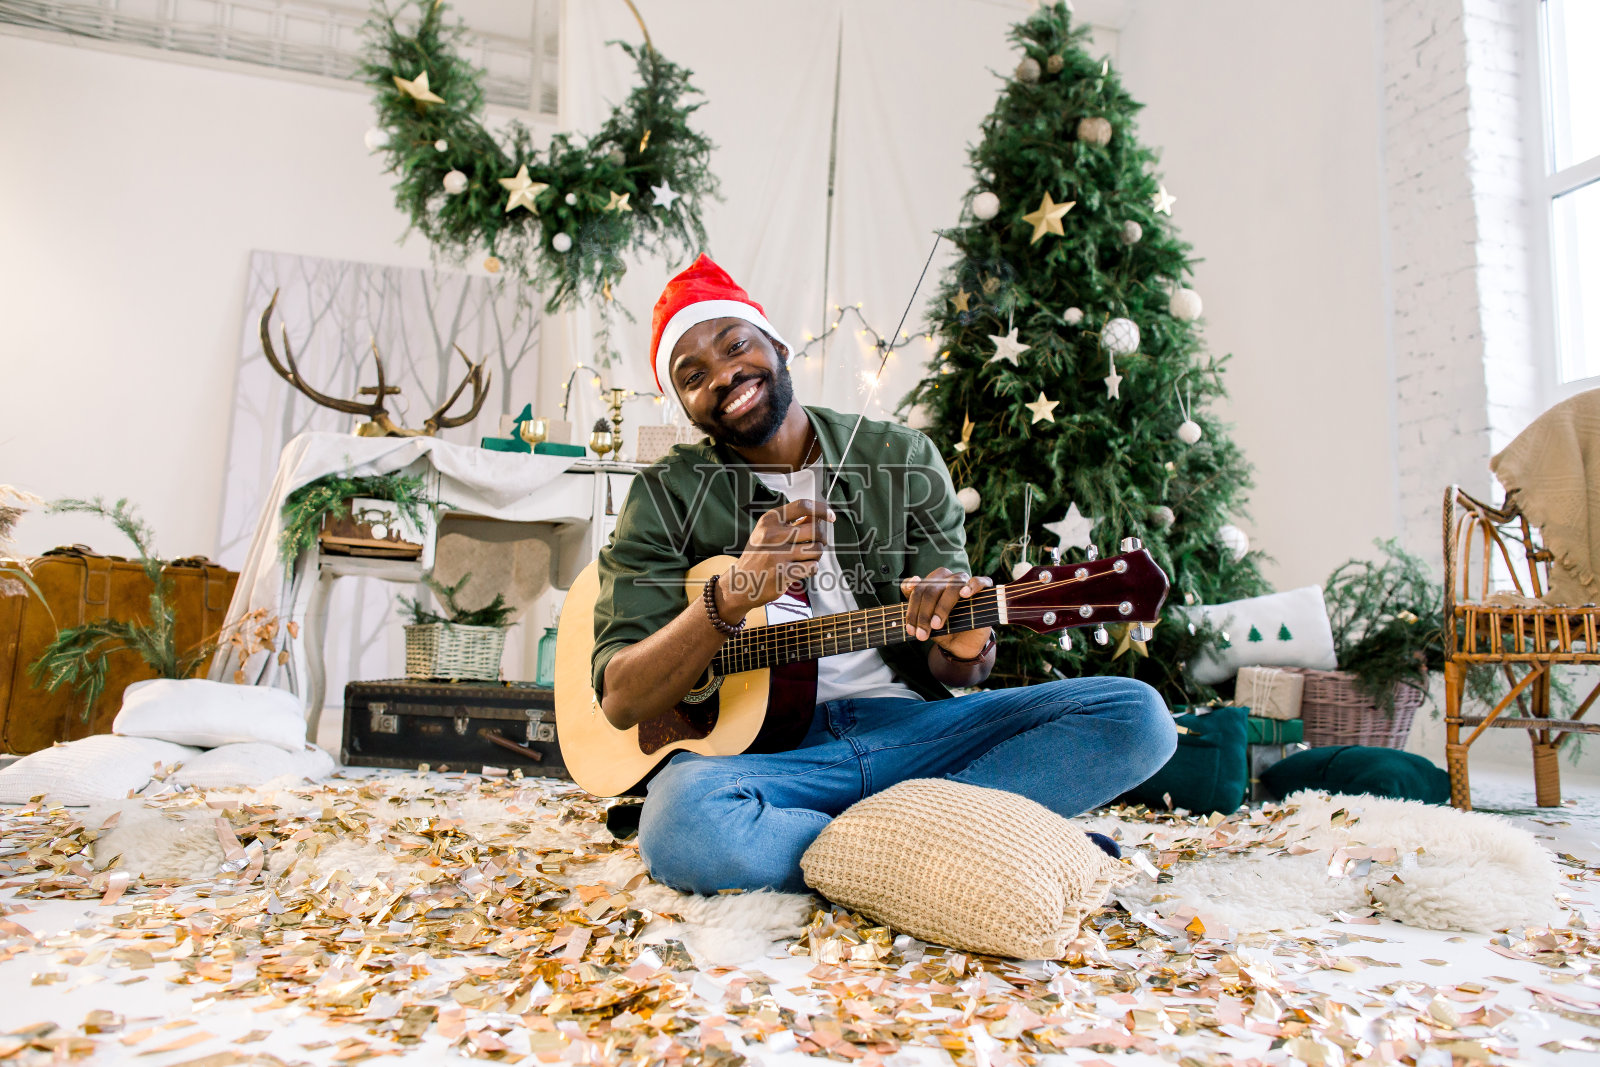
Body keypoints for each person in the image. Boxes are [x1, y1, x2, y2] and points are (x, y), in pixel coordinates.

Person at [592, 254, 1176, 895]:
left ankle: (847, 852)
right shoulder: (665, 495)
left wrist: (966, 643)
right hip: (773, 762)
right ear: (684, 405)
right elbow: (622, 697)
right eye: (694, 375)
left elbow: (957, 670)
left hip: (913, 737)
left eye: (735, 346)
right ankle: (958, 845)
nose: (725, 375)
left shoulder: (902, 457)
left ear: (778, 346)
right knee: (681, 822)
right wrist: (730, 596)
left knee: (1137, 717)